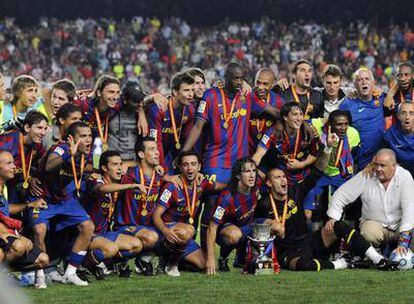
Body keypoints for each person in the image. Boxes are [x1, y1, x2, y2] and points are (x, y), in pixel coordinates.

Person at [183, 62, 279, 248]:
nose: (239, 82)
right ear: (225, 77)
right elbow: (198, 126)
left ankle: (232, 255)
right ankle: (204, 252)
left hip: (239, 166)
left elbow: (274, 113)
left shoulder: (247, 97)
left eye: (242, 78)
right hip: (215, 163)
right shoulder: (210, 96)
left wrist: (294, 121)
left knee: (244, 210)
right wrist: (184, 154)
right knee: (210, 206)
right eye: (235, 78)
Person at [255, 167, 399, 271]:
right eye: (277, 177)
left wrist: (328, 147)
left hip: (308, 242)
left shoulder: (295, 192)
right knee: (304, 265)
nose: (283, 180)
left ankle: (379, 260)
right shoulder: (264, 205)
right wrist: (268, 222)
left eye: (284, 177)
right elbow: (255, 225)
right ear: (269, 183)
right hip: (287, 253)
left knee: (338, 225)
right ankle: (342, 264)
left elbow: (317, 171)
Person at [33, 121, 95, 286]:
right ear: (71, 139)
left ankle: (71, 273)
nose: (88, 139)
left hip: (64, 198)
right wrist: (69, 154)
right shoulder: (61, 148)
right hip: (43, 197)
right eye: (83, 136)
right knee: (39, 230)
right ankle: (39, 275)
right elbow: (49, 165)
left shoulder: (85, 153)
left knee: (88, 226)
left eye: (89, 135)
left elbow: (80, 169)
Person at [153, 150, 225, 276]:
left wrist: (238, 183)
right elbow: (156, 215)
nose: (190, 169)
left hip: (184, 234)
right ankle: (170, 264)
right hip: (165, 230)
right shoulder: (172, 186)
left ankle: (175, 260)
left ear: (199, 167)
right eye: (185, 165)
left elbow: (220, 186)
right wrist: (165, 231)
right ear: (180, 167)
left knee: (204, 263)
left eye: (193, 164)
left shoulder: (202, 183)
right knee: (189, 230)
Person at [327, 149, 414, 253]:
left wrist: (403, 242)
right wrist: (333, 217)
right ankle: (375, 254)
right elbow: (341, 194)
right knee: (368, 231)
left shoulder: (404, 177)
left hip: (401, 227)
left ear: (394, 166)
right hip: (376, 227)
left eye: (383, 165)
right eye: (376, 165)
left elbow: (409, 208)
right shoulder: (366, 175)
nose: (378, 169)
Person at [81, 151, 144, 278]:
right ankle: (80, 266)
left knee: (137, 245)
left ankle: (105, 264)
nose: (120, 168)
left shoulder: (117, 185)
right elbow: (102, 189)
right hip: (86, 234)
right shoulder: (95, 180)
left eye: (121, 164)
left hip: (104, 233)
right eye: (115, 164)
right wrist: (130, 186)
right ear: (104, 168)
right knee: (111, 248)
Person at [0, 150, 50, 288]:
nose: (14, 166)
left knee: (43, 260)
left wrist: (30, 205)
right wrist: (9, 235)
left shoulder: (3, 186)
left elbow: (5, 209)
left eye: (13, 162)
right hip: (2, 234)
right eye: (8, 163)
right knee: (19, 246)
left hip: (6, 233)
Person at [252, 102, 320, 203]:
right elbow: (258, 155)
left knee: (306, 213)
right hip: (281, 176)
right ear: (285, 117)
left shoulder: (308, 131)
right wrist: (250, 171)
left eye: (301, 114)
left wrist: (301, 164)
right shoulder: (273, 132)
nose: (299, 118)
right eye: (294, 114)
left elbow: (315, 154)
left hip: (302, 176)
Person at [205, 158, 260, 275]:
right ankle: (223, 258)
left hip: (248, 227)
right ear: (238, 176)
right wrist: (210, 259)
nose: (252, 175)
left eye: (254, 171)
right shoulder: (226, 198)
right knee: (235, 234)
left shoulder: (257, 186)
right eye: (247, 171)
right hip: (227, 232)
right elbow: (212, 227)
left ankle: (269, 260)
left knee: (275, 227)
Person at [303, 110, 360, 222]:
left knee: (341, 212)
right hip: (321, 174)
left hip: (341, 176)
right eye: (339, 124)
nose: (343, 128)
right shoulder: (319, 129)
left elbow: (354, 157)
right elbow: (302, 121)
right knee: (308, 213)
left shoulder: (353, 134)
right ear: (330, 124)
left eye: (346, 124)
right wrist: (308, 128)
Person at [148, 73, 196, 173]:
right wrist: (161, 168)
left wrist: (180, 159)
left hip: (171, 154)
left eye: (192, 90)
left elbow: (186, 138)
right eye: (186, 90)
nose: (191, 94)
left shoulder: (190, 110)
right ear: (175, 92)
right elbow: (156, 141)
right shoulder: (159, 109)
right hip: (153, 153)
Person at [339, 68, 386, 169]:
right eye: (360, 80)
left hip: (379, 162)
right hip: (357, 163)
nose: (364, 82)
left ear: (373, 83)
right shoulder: (347, 105)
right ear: (355, 85)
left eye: (367, 79)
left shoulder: (382, 99)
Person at [0, 110, 48, 204]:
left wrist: (29, 178)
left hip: (15, 182)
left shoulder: (37, 144)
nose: (43, 133)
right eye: (39, 128)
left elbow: (43, 164)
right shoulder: (7, 143)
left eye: (45, 128)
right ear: (27, 128)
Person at [248, 68, 285, 155]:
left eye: (265, 84)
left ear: (272, 85)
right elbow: (282, 115)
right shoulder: (249, 97)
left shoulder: (279, 101)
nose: (260, 87)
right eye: (258, 82)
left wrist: (281, 122)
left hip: (267, 154)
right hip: (247, 152)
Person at [108, 81, 147, 161]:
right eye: (135, 101)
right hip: (113, 164)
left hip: (134, 164)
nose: (140, 104)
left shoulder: (143, 113)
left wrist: (142, 112)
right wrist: (96, 165)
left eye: (141, 100)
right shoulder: (110, 111)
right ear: (125, 99)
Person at [383, 101, 414, 176]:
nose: (407, 117)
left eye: (411, 113)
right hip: (400, 174)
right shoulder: (390, 134)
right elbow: (384, 156)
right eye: (403, 113)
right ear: (398, 116)